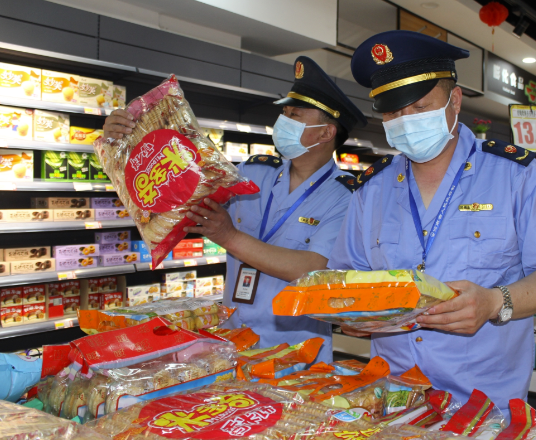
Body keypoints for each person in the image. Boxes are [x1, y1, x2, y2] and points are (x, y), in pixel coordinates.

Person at [328, 31, 536, 416]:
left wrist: (496, 301)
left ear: (455, 101)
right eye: (393, 112)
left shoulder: (515, 175)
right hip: (394, 398)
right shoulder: (371, 188)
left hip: (485, 404)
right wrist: (352, 314)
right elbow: (347, 277)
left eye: (419, 107)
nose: (405, 121)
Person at [103, 56, 367, 364]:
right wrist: (127, 142)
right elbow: (180, 199)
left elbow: (312, 269)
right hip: (230, 343)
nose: (284, 120)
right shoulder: (254, 172)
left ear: (326, 133)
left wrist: (229, 237)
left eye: (295, 114)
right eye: (284, 112)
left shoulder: (347, 195)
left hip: (295, 354)